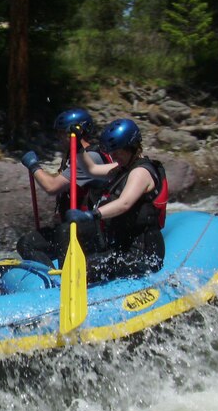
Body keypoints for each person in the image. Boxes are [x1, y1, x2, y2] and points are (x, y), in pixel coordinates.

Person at [65, 118, 167, 282]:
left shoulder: (141, 172)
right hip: (125, 247)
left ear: (131, 147)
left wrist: (92, 215)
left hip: (144, 254)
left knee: (85, 269)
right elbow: (91, 169)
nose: (113, 156)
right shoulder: (122, 168)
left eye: (118, 152)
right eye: (112, 152)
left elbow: (124, 203)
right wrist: (77, 147)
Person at [16, 108, 112, 267]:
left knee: (64, 233)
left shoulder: (92, 157)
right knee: (26, 243)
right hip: (72, 226)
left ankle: (67, 278)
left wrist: (34, 166)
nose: (59, 138)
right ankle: (49, 281)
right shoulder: (70, 156)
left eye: (63, 133)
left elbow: (51, 186)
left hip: (93, 228)